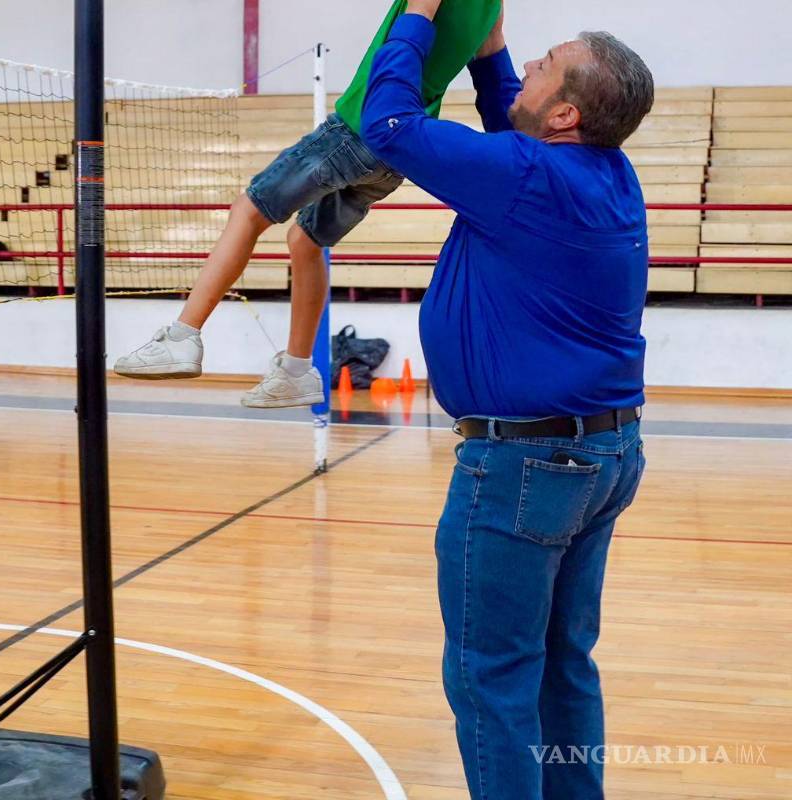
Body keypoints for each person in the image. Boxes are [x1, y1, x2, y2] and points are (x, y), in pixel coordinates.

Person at [359, 2, 653, 798]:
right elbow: (509, 122)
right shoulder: (601, 171)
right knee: (561, 663)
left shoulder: (524, 178)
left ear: (565, 113)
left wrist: (420, 13)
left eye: (543, 63)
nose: (527, 66)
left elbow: (384, 123)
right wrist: (488, 42)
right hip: (601, 457)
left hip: (526, 466)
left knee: (491, 680)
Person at [113, 0, 501, 408]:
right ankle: (297, 371)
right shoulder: (493, 8)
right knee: (305, 239)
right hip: (397, 151)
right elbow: (491, 66)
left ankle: (182, 336)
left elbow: (417, 25)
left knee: (248, 210)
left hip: (359, 128)